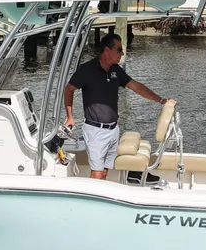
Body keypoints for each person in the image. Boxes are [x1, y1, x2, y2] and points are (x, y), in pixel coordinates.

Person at [63, 33, 176, 180]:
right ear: (107, 50)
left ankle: (100, 199)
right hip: (95, 131)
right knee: (97, 174)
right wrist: (70, 117)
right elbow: (69, 89)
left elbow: (137, 87)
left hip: (113, 130)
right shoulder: (87, 70)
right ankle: (95, 201)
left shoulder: (116, 70)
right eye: (119, 50)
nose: (122, 53)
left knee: (104, 171)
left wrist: (161, 100)